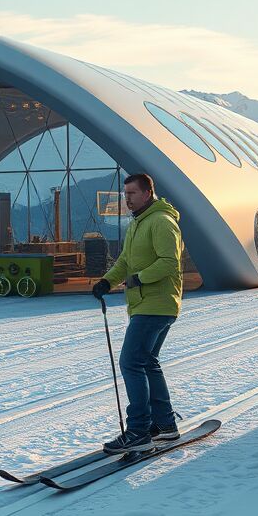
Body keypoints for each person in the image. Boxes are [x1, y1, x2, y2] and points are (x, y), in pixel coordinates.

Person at [92, 172, 183, 453]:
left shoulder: (161, 221)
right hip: (145, 304)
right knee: (147, 362)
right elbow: (125, 261)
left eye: (132, 193)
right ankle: (165, 425)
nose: (127, 199)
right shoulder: (138, 223)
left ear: (147, 193)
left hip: (156, 304)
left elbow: (169, 262)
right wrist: (107, 281)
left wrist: (139, 278)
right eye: (125, 194)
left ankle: (139, 431)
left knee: (131, 362)